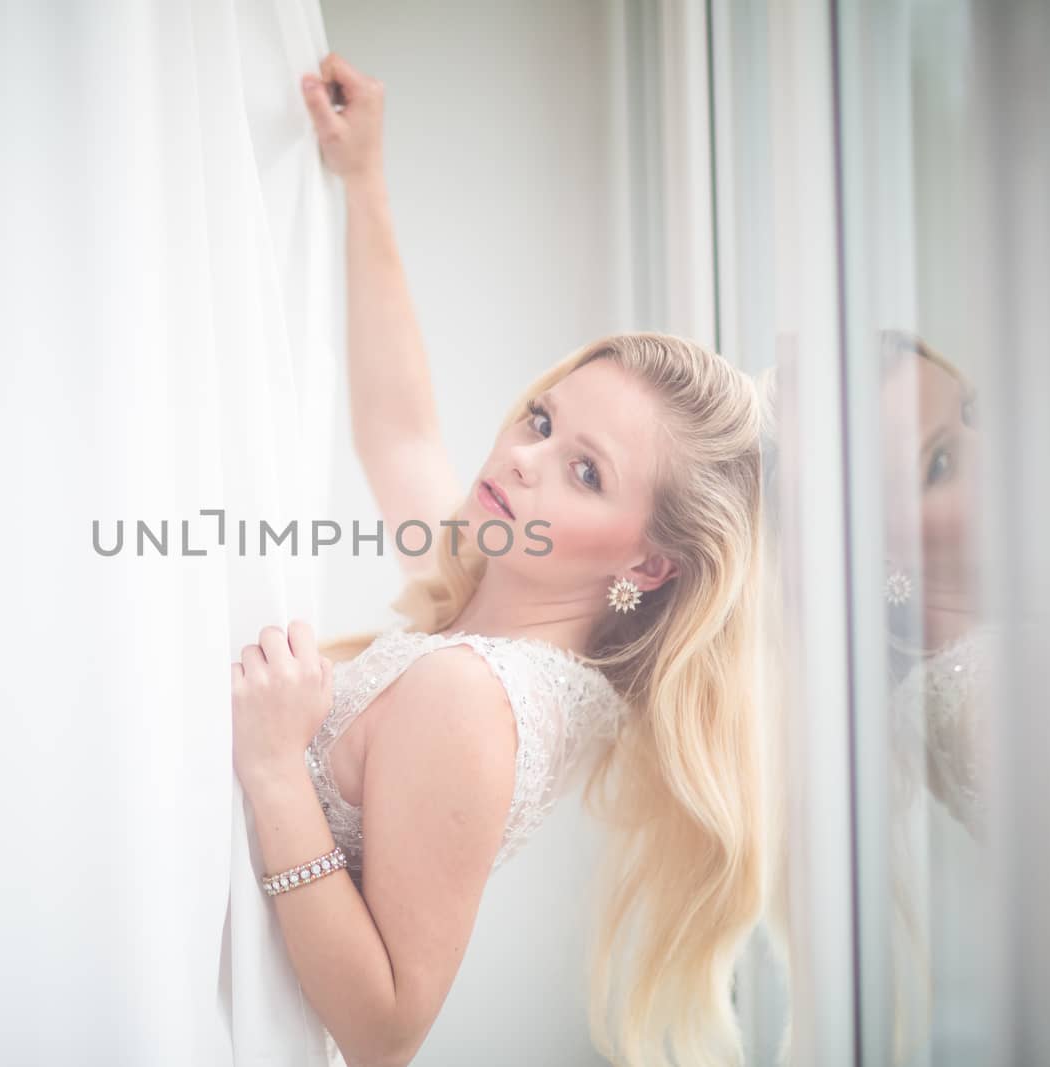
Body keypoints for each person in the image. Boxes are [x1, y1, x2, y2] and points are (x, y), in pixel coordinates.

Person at [229, 53, 770, 1067]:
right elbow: (398, 431)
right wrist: (364, 182)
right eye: (539, 416)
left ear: (650, 565)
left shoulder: (473, 694)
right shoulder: (508, 608)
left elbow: (388, 1027)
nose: (520, 460)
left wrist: (272, 768)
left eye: (582, 470)